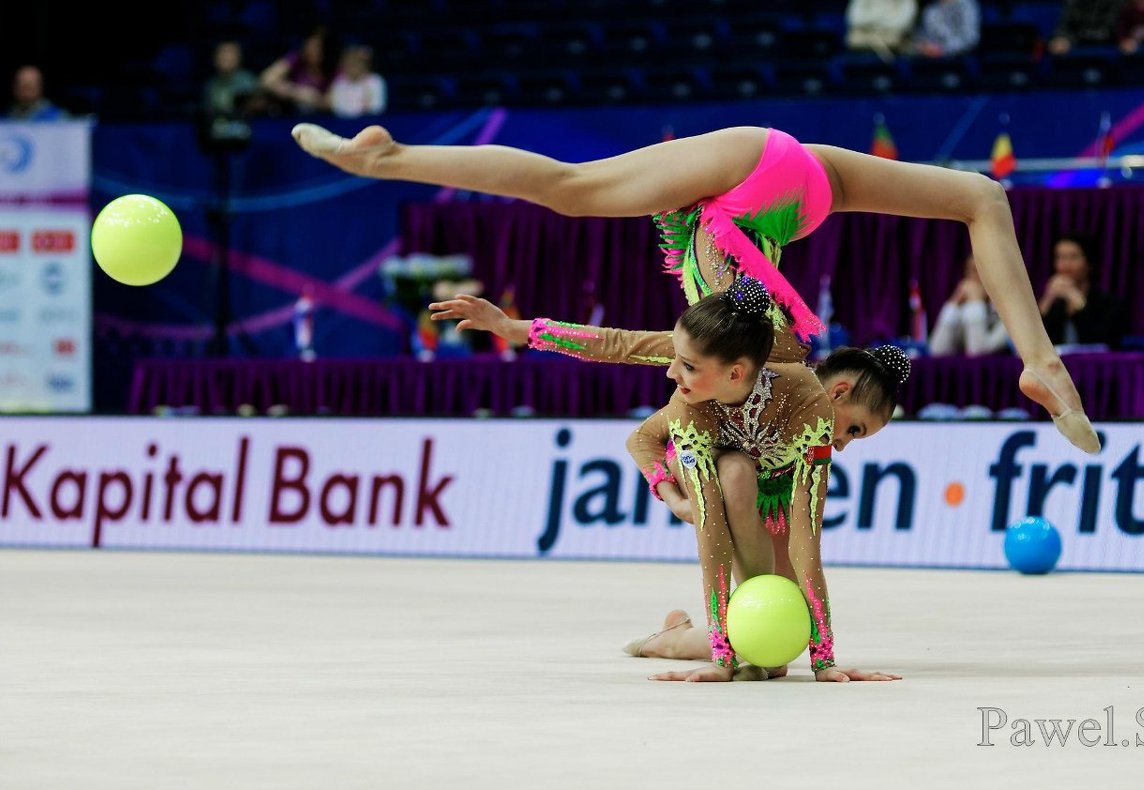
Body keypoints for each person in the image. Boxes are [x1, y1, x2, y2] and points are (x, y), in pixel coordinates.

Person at [290, 121, 1101, 455]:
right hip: (755, 189)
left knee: (980, 197)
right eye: (852, 431)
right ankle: (385, 159)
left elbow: (636, 359)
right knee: (570, 189)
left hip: (799, 188)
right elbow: (640, 363)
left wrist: (521, 330)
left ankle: (1043, 364)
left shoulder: (748, 361)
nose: (839, 439)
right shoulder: (747, 358)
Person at [430, 278, 906, 683]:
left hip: (772, 494)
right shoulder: (692, 389)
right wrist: (513, 329)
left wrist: (824, 661)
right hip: (716, 470)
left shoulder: (806, 407)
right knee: (738, 475)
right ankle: (712, 641)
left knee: (775, 653)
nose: (847, 443)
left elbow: (807, 535)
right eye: (856, 428)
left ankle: (677, 635)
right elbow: (618, 346)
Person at [1038, 232, 1126, 348]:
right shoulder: (1055, 305)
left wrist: (1077, 301)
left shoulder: (1109, 303)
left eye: (1073, 257)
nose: (1065, 265)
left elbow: (1101, 342)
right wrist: (1047, 301)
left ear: (1089, 263)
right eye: (1060, 257)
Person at [928, 255, 1010, 356]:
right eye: (972, 270)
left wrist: (976, 302)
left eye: (982, 269)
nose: (975, 276)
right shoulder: (965, 308)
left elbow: (978, 352)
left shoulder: (1008, 313)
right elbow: (937, 350)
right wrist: (954, 302)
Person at [260, 25, 337, 114]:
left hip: (323, 119)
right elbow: (265, 80)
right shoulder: (296, 59)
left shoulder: (334, 69)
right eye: (308, 46)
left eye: (316, 47)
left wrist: (314, 98)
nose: (310, 51)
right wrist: (298, 92)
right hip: (292, 115)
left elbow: (331, 103)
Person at [202, 40, 265, 118]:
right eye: (222, 52)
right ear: (214, 58)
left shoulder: (248, 81)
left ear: (239, 57)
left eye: (230, 53)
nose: (226, 57)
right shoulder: (210, 85)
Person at [845, 0, 919, 60]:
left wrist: (870, 20)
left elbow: (901, 25)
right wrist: (885, 19)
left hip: (895, 50)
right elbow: (854, 19)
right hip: (861, 45)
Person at [329, 45, 387, 118]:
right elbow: (338, 108)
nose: (353, 66)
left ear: (364, 64)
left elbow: (377, 107)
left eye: (356, 62)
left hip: (370, 120)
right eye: (350, 63)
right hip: (344, 123)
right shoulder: (339, 82)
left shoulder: (376, 81)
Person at [1048, 0, 1124, 55]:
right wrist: (1062, 38)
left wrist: (1126, 38)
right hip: (1079, 51)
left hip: (1112, 52)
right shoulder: (1072, 2)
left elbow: (1124, 27)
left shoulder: (1121, 3)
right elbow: (1064, 27)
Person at [911, 0, 981, 58]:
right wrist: (923, 47)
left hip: (958, 60)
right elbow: (921, 36)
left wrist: (943, 49)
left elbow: (970, 39)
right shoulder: (931, 10)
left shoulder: (966, 6)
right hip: (929, 61)